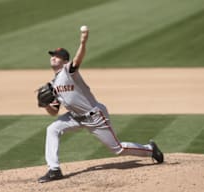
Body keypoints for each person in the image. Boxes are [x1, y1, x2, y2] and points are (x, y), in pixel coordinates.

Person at [38, 28, 164, 183]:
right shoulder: (52, 85)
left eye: (58, 56)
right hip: (75, 117)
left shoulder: (68, 71)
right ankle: (54, 169)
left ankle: (151, 150)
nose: (54, 58)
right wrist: (44, 105)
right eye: (52, 56)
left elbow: (78, 60)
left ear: (64, 61)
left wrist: (83, 42)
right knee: (52, 129)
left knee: (117, 149)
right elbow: (53, 112)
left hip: (95, 116)